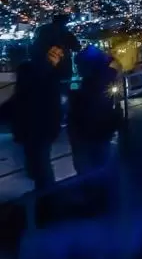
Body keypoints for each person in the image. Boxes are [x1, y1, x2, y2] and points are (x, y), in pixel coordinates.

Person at [12, 41, 70, 189]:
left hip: (36, 126)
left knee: (40, 165)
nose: (55, 57)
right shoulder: (48, 74)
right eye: (54, 53)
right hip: (39, 126)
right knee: (41, 165)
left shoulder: (40, 72)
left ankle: (46, 200)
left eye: (58, 55)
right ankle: (47, 200)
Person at [68, 46, 121, 176]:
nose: (78, 69)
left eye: (80, 65)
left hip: (88, 132)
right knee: (102, 161)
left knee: (87, 167)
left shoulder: (89, 84)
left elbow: (82, 110)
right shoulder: (108, 75)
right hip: (103, 129)